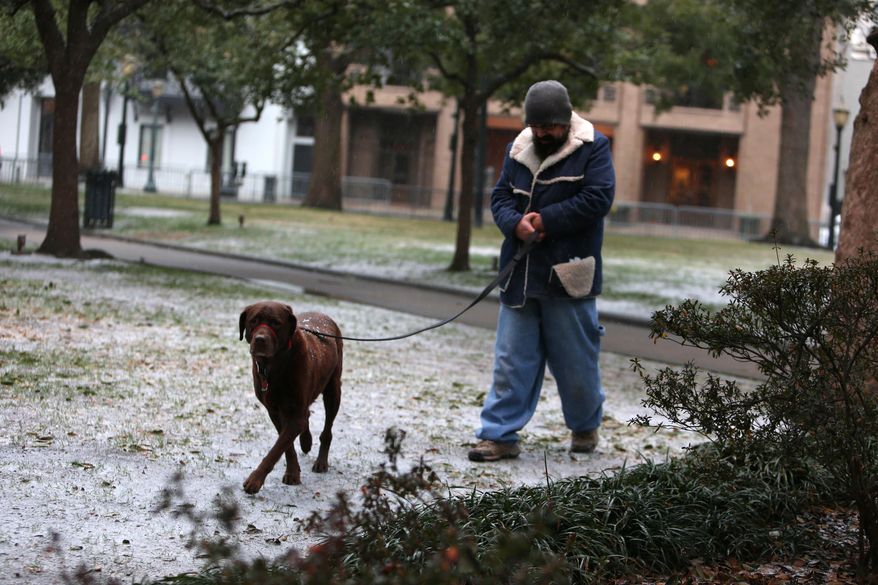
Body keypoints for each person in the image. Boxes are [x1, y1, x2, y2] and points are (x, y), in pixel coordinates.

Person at [468, 80, 615, 462]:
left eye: (549, 126)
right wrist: (514, 223)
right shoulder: (517, 148)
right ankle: (498, 435)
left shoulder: (594, 148)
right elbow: (500, 196)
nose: (542, 133)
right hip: (520, 277)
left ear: (566, 121)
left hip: (569, 276)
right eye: (536, 126)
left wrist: (546, 220)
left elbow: (598, 198)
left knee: (577, 363)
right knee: (511, 361)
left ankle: (584, 427)